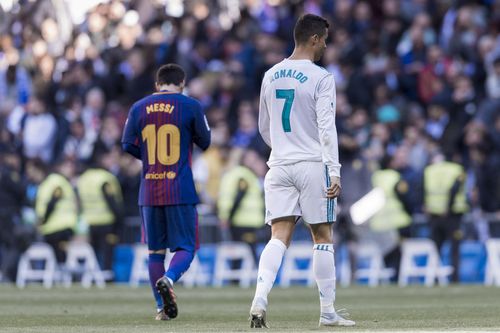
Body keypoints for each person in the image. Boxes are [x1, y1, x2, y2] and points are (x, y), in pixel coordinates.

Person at [249, 14, 355, 328]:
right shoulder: (321, 77)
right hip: (311, 164)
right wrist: (333, 171)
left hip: (278, 165)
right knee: (322, 236)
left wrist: (283, 146)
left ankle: (260, 298)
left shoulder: (271, 74)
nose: (325, 44)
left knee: (278, 237)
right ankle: (327, 312)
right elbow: (327, 129)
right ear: (313, 39)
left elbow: (264, 128)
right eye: (323, 39)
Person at [121, 63, 211, 321]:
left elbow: (127, 144)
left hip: (149, 190)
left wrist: (150, 159)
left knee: (154, 252)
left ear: (157, 84)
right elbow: (205, 142)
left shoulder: (138, 107)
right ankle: (170, 279)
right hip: (179, 188)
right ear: (182, 84)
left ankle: (161, 308)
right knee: (186, 248)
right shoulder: (190, 105)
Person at [77, 150, 123, 278]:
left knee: (94, 253)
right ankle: (107, 278)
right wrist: (120, 220)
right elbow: (112, 202)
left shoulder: (84, 178)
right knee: (107, 254)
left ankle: (93, 278)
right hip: (106, 221)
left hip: (90, 222)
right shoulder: (105, 178)